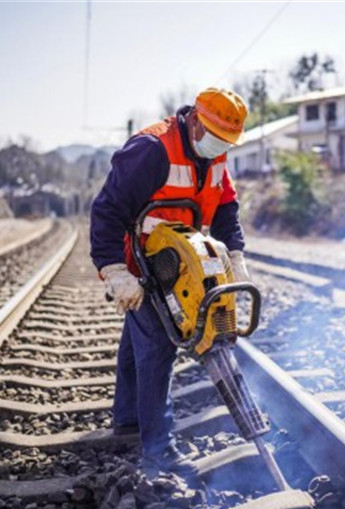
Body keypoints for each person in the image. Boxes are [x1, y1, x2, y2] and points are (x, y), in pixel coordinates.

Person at [90, 87, 251, 478]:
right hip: (143, 262)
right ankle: (158, 452)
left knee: (137, 340)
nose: (219, 148)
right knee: (157, 346)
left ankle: (129, 420)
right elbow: (107, 209)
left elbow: (226, 206)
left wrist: (235, 255)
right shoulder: (150, 150)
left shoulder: (216, 152)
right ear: (195, 120)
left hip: (182, 258)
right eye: (215, 137)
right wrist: (115, 272)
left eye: (226, 142)